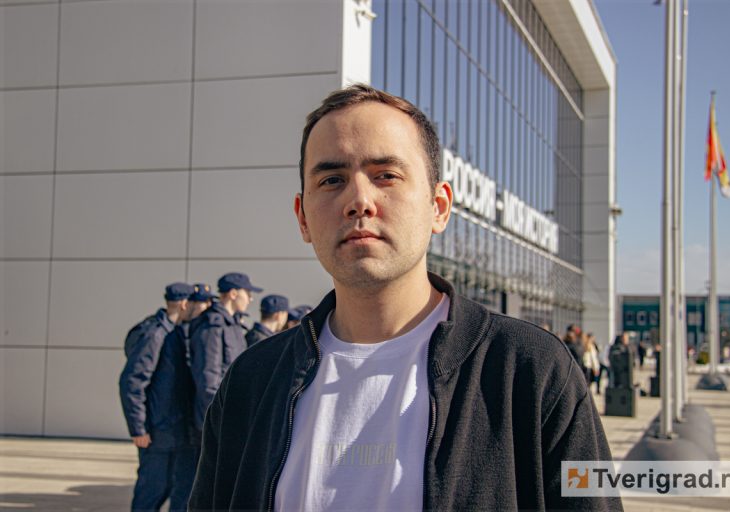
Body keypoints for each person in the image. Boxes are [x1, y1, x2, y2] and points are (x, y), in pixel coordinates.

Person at [189, 85, 620, 511]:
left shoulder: (531, 370)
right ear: (302, 218)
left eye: (386, 176)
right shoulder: (252, 382)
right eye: (332, 180)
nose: (359, 200)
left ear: (439, 206)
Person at [118, 282, 194, 512]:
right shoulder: (155, 334)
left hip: (169, 429)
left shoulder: (173, 332)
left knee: (166, 487)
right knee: (151, 491)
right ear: (184, 304)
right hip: (155, 431)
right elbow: (132, 381)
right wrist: (138, 428)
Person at [188, 272, 261, 438]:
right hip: (218, 421)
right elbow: (208, 378)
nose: (250, 299)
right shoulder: (212, 327)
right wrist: (221, 419)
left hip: (232, 414)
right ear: (233, 294)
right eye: (247, 293)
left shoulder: (233, 325)